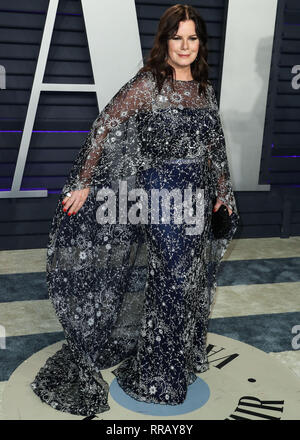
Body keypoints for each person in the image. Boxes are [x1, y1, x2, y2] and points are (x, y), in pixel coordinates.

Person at [30, 4, 239, 416]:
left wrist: (221, 192)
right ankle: (155, 376)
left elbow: (214, 148)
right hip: (160, 197)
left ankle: (169, 360)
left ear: (201, 44)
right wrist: (84, 182)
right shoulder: (148, 84)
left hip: (197, 198)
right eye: (177, 37)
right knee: (173, 278)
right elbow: (104, 126)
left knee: (187, 279)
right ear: (164, 41)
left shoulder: (204, 89)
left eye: (192, 37)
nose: (185, 46)